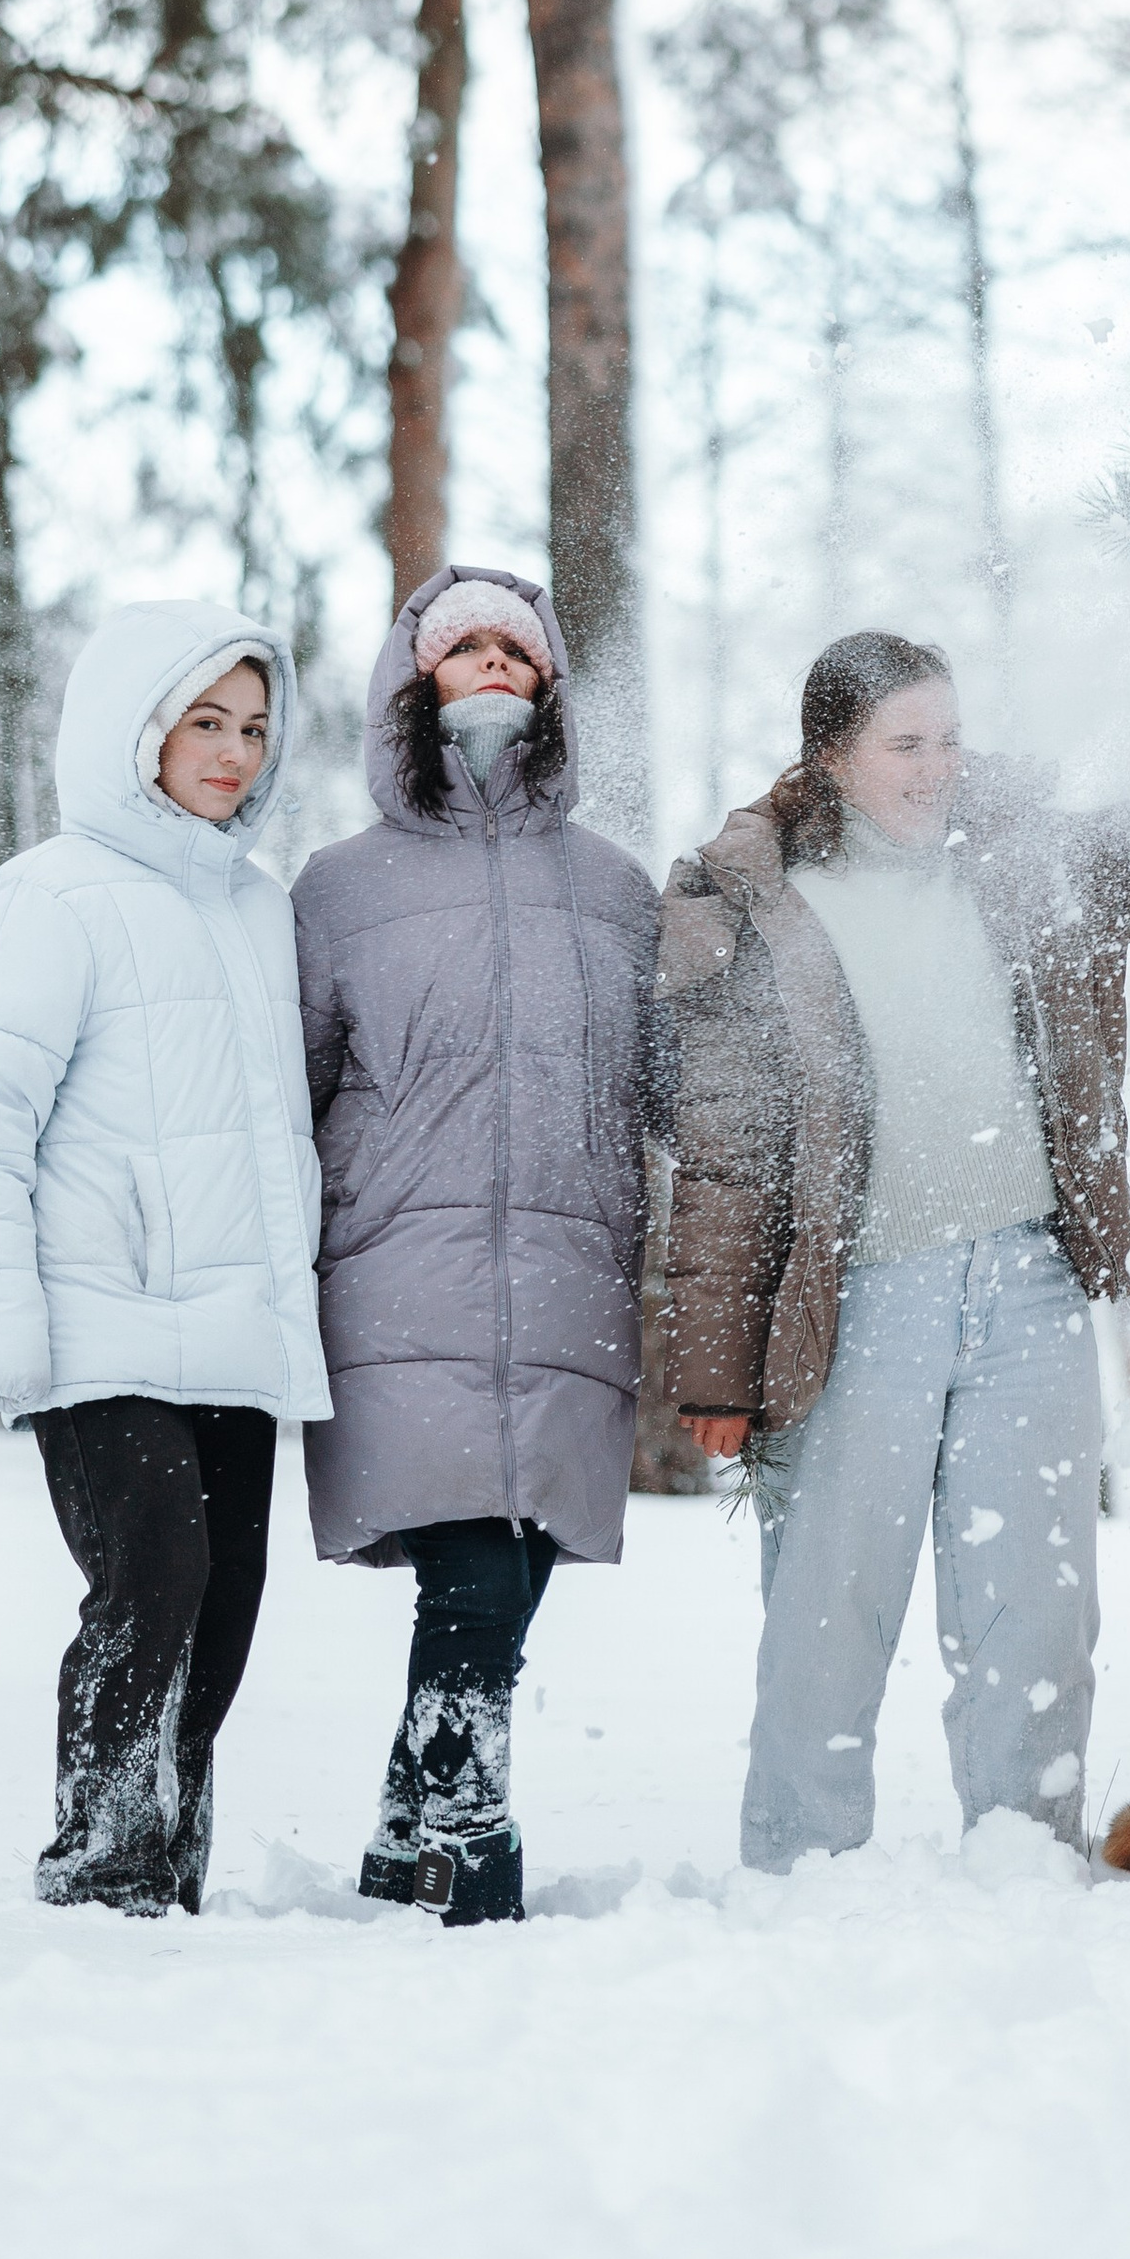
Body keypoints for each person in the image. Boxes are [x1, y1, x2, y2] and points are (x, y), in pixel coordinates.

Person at [661, 627, 1130, 1873]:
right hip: (855, 1299)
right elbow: (725, 1151)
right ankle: (799, 1868)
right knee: (828, 1611)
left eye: (949, 737)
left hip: (1027, 1283)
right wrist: (718, 1369)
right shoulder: (757, 905)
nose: (936, 767)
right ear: (833, 755)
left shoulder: (1025, 861)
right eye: (905, 744)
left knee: (1038, 1612)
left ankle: (1025, 1857)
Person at [0, 601, 330, 1916]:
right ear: (132, 727)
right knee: (155, 1580)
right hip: (101, 1319)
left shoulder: (259, 912)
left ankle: (171, 1868)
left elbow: (271, 1139)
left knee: (227, 1609)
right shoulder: (48, 894)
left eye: (255, 726)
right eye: (204, 720)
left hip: (235, 1334)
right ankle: (101, 1862)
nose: (233, 751)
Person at [293, 564, 660, 1926]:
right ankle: (470, 1846)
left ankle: (404, 1841)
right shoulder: (337, 892)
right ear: (414, 683)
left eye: (519, 647)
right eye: (465, 649)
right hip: (397, 1271)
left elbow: (665, 1084)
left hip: (570, 1278)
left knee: (522, 1560)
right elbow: (294, 1090)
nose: (494, 664)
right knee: (473, 1567)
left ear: (551, 683)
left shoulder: (616, 891)